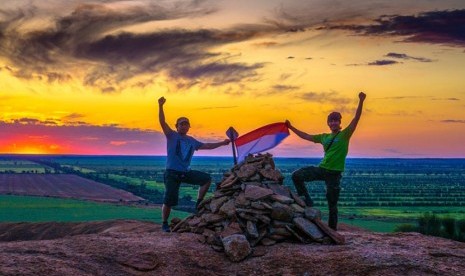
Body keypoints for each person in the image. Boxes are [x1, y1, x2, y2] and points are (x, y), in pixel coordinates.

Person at [285, 92, 366, 230]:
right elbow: (306, 136)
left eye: (336, 121)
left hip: (334, 174)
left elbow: (356, 118)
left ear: (340, 123)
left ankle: (332, 231)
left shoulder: (345, 135)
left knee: (332, 204)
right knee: (296, 175)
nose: (334, 123)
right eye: (331, 121)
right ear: (328, 123)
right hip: (322, 169)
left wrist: (361, 101)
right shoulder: (324, 137)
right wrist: (291, 127)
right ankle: (307, 201)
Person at [158, 96, 230, 232]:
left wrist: (223, 143)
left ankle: (198, 203)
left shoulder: (192, 141)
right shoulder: (171, 135)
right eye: (181, 124)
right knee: (169, 200)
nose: (184, 126)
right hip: (172, 173)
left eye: (186, 124)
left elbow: (207, 146)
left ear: (189, 127)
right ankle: (164, 223)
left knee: (206, 179)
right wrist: (160, 106)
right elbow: (162, 122)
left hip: (185, 173)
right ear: (176, 126)